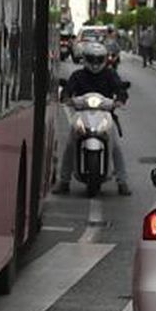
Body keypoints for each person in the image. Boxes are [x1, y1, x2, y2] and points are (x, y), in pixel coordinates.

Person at [56, 41, 131, 197]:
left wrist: (120, 99)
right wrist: (66, 97)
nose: (95, 63)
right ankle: (64, 181)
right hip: (82, 113)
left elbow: (120, 88)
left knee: (115, 145)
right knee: (71, 143)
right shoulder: (78, 76)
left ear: (104, 59)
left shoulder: (110, 74)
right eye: (92, 59)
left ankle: (122, 181)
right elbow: (68, 90)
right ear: (85, 59)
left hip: (104, 113)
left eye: (99, 59)